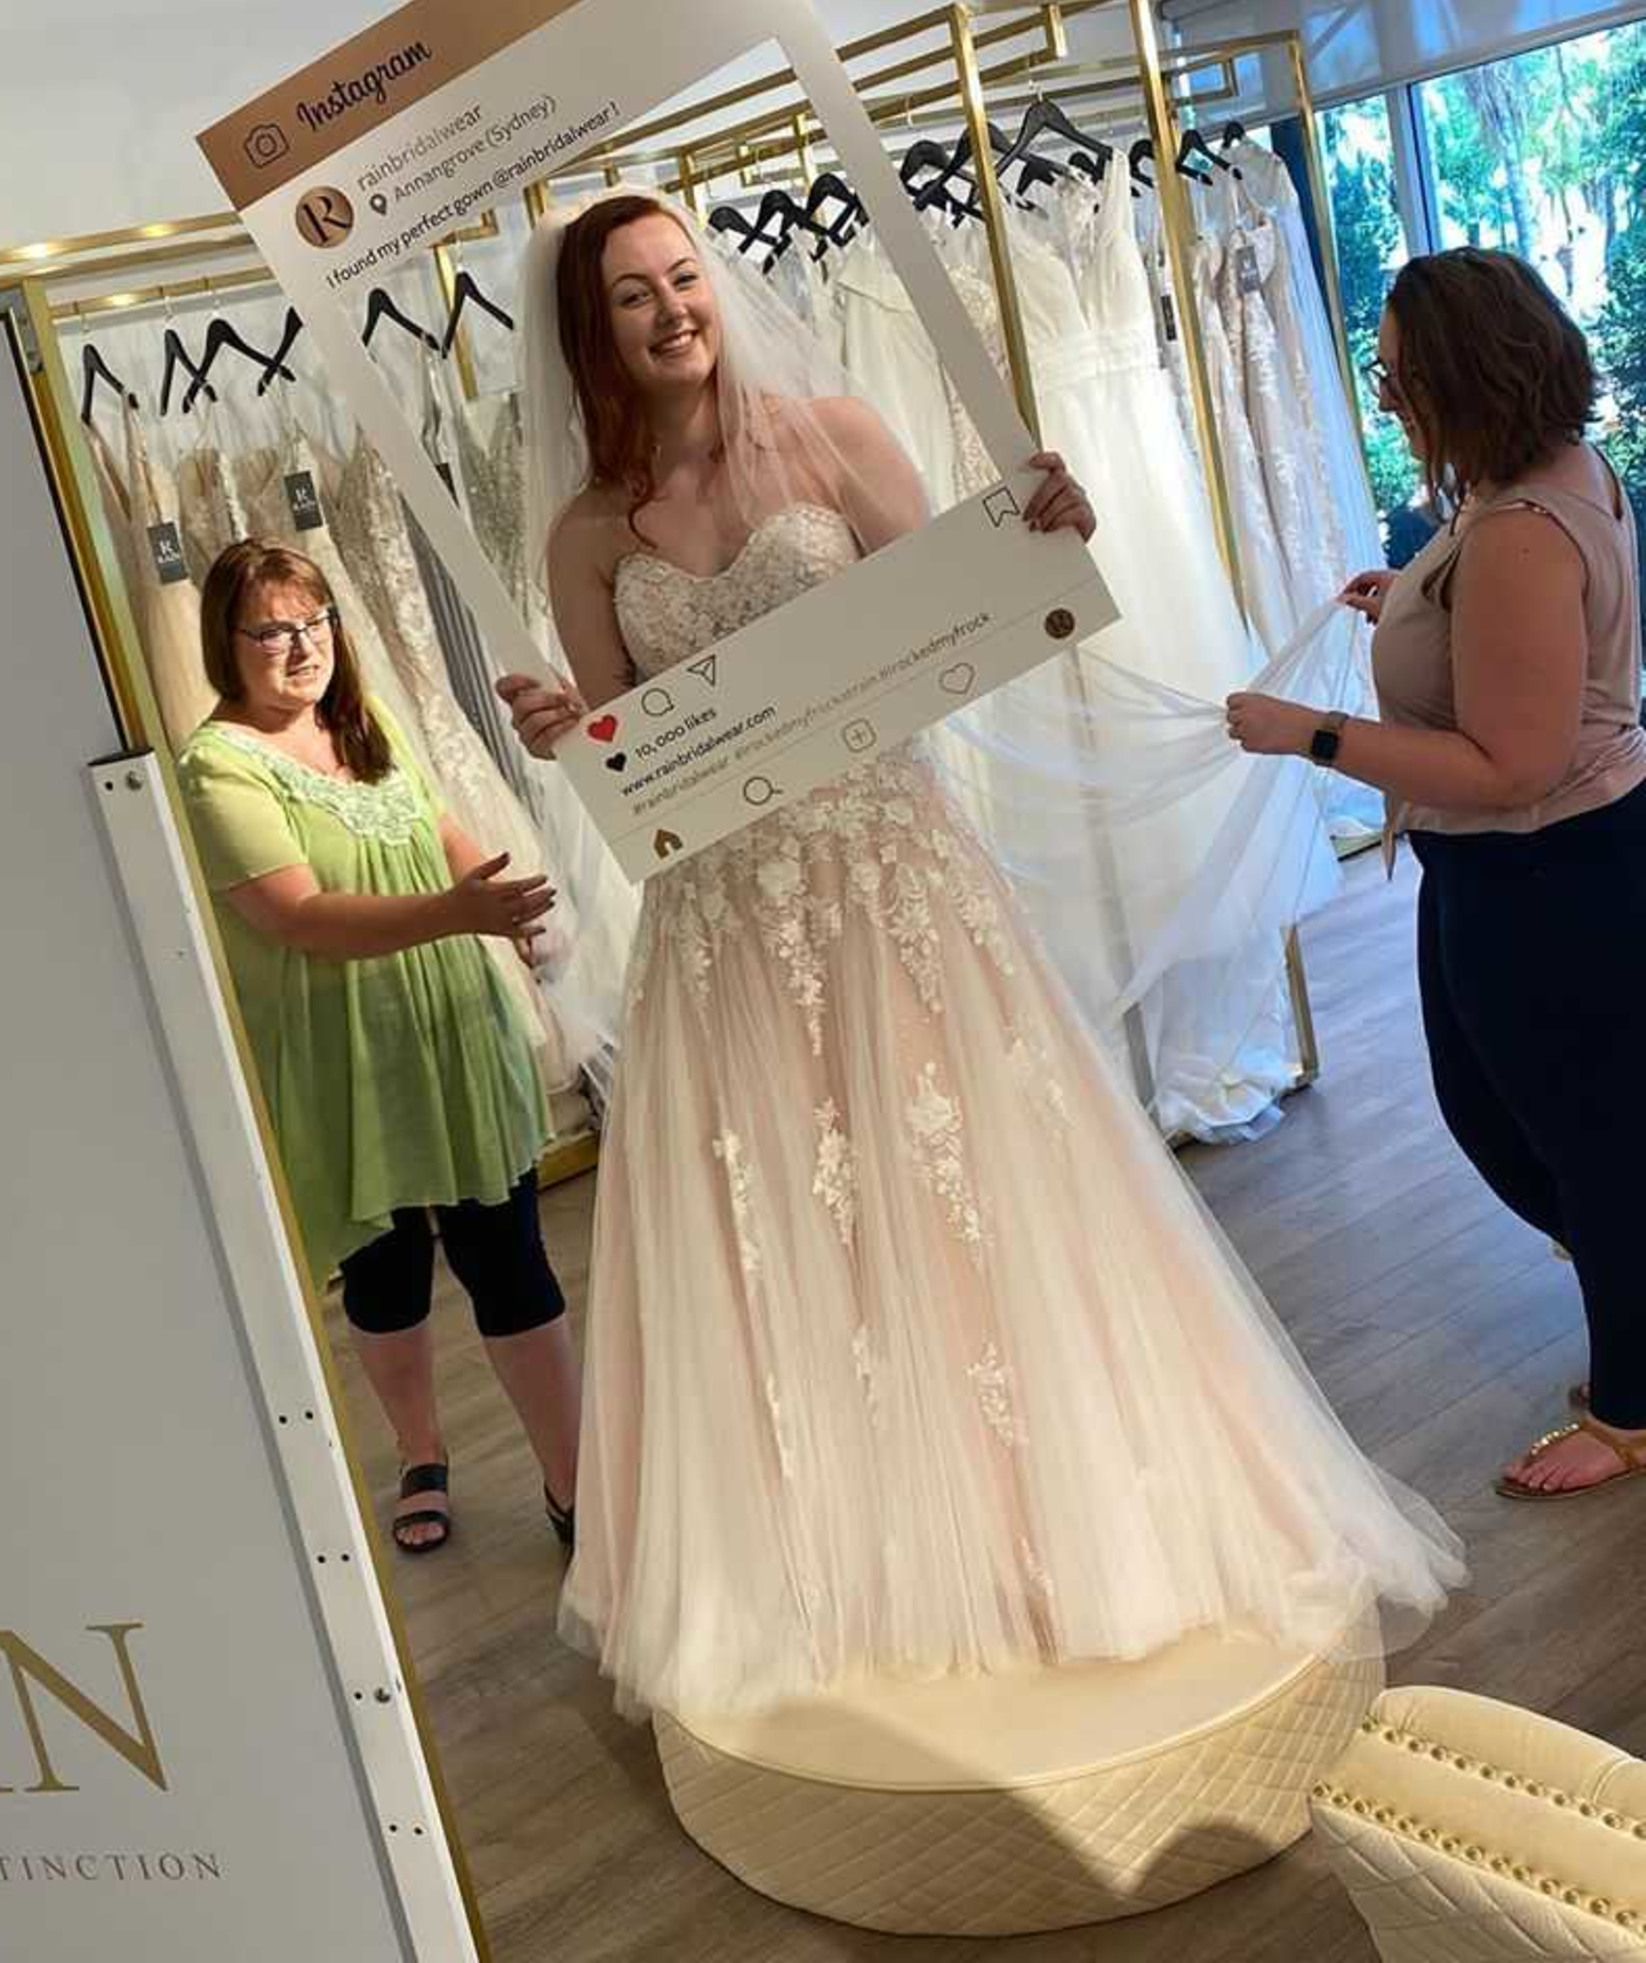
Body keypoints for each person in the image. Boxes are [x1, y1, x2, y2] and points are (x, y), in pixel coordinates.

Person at [496, 188, 1462, 1719]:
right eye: (632, 295)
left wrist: (1046, 533)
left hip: (892, 872)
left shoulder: (828, 435)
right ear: (589, 329)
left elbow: (989, 599)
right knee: (792, 1219)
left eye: (684, 277)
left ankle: (1038, 1521)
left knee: (961, 1189)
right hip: (731, 922)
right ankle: (844, 1549)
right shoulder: (586, 534)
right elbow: (629, 769)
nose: (673, 309)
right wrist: (569, 732)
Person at [1228, 247, 1646, 1503]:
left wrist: (1305, 732)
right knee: (1519, 1120)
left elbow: (1509, 761)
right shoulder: (1536, 483)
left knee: (1577, 1141)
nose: (1391, 394)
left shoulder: (1518, 527)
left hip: (1545, 873)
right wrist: (1408, 603)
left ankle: (1632, 1408)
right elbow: (1513, 663)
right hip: (1534, 870)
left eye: (1403, 375)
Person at [178, 539, 581, 1555]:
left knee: (510, 1254)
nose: (298, 645)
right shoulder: (215, 768)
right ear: (225, 643)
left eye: (312, 623)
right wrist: (458, 910)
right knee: (386, 1272)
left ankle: (574, 1482)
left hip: (452, 1024)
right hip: (348, 1057)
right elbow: (300, 918)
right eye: (269, 629)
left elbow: (439, 825)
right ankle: (419, 1451)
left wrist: (507, 907)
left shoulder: (359, 721)